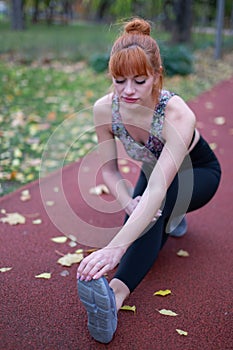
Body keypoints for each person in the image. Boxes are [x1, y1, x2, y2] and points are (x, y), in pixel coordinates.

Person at [77, 18, 221, 344]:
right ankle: (172, 221)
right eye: (118, 80)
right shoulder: (105, 110)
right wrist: (128, 200)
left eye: (139, 81)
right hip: (153, 170)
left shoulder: (177, 113)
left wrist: (115, 249)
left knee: (159, 203)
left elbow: (158, 188)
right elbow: (111, 171)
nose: (128, 91)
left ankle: (113, 297)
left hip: (199, 172)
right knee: (142, 210)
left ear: (156, 76)